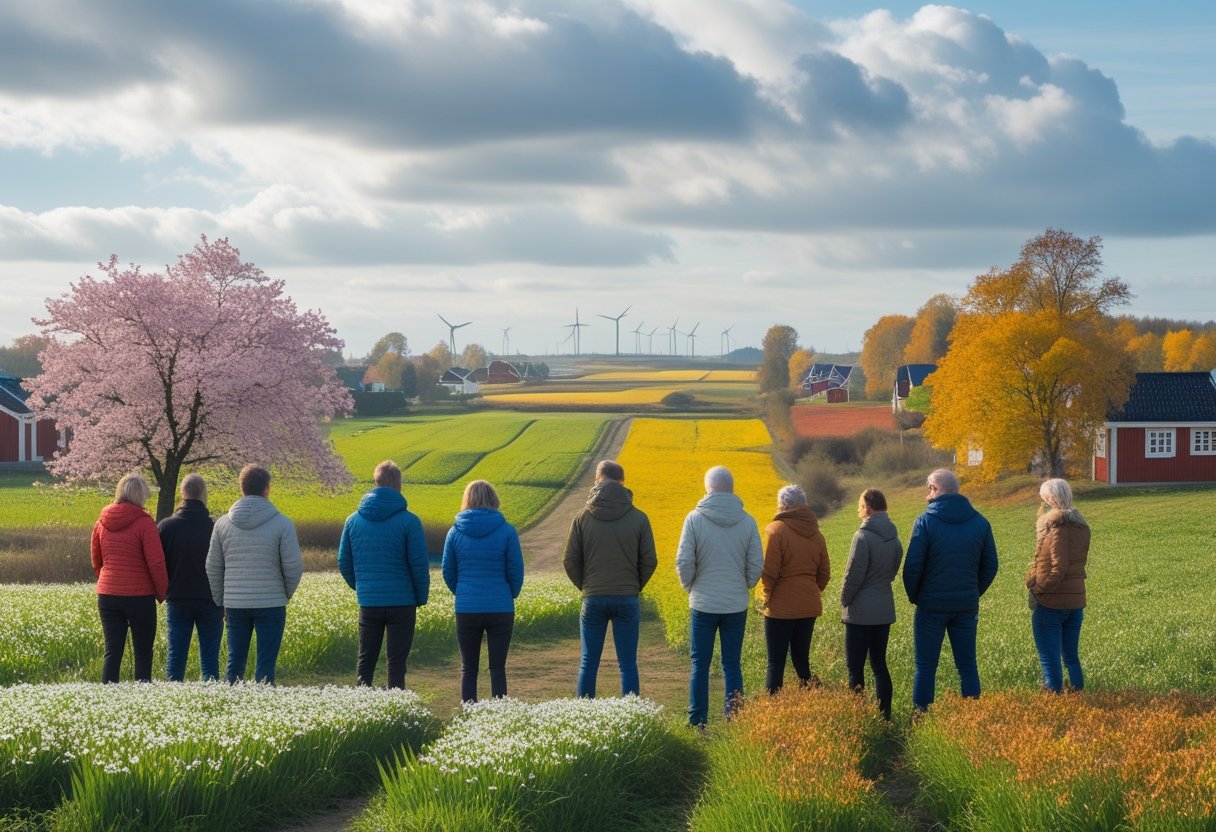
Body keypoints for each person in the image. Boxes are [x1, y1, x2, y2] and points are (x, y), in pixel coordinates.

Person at [903, 468, 998, 712]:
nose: (927, 495)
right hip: (966, 606)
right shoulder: (981, 522)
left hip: (930, 606)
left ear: (935, 490)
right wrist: (973, 592)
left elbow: (913, 566)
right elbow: (990, 566)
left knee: (925, 666)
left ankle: (920, 718)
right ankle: (972, 718)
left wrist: (917, 596)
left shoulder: (925, 522)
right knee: (967, 665)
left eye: (928, 489)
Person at [676, 466, 763, 727]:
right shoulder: (748, 521)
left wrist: (691, 587)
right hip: (735, 604)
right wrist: (744, 585)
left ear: (707, 488)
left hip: (703, 603)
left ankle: (697, 720)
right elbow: (756, 563)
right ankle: (734, 718)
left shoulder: (694, 518)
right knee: (732, 663)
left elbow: (683, 561)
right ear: (732, 488)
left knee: (699, 664)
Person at [563, 460, 658, 698]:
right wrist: (634, 585)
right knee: (627, 663)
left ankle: (584, 713)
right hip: (627, 597)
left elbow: (570, 561)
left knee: (588, 661)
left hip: (593, 596)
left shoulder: (582, 517)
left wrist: (586, 585)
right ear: (622, 482)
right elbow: (649, 560)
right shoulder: (639, 518)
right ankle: (632, 714)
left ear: (597, 481)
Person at [206, 464, 302, 685]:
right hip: (271, 602)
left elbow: (212, 566)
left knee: (235, 660)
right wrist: (284, 593)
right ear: (267, 489)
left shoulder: (222, 524)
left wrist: (222, 600)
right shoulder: (282, 523)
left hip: (235, 604)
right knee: (266, 664)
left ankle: (231, 709)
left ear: (242, 488)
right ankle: (264, 710)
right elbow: (293, 566)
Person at [338, 460, 431, 689]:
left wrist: (361, 586)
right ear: (399, 485)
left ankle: (361, 708)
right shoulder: (410, 521)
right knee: (397, 662)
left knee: (365, 658)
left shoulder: (353, 521)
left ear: (375, 482)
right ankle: (396, 708)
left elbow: (344, 562)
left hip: (369, 601)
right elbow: (419, 564)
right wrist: (420, 597)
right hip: (403, 601)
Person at [442, 480, 524, 702]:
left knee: (468, 668)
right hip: (500, 606)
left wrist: (461, 592)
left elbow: (448, 571)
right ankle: (498, 713)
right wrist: (510, 594)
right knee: (498, 667)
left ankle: (469, 712)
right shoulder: (507, 531)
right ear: (493, 499)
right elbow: (516, 570)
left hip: (467, 607)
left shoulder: (454, 532)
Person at [91, 474, 168, 683]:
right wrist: (162, 592)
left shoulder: (101, 522)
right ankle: (141, 700)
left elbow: (96, 559)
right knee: (143, 652)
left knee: (112, 651)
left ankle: (108, 699)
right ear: (140, 495)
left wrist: (108, 579)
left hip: (107, 595)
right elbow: (156, 562)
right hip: (139, 596)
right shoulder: (145, 523)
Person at [759, 484, 830, 695]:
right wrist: (809, 590)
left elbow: (769, 572)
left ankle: (773, 708)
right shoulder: (817, 534)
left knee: (775, 663)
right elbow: (824, 573)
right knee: (801, 660)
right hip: (808, 604)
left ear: (782, 504)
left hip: (780, 606)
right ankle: (815, 699)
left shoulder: (775, 531)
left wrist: (766, 596)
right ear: (804, 504)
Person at [840, 488, 903, 719]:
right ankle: (885, 715)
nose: (859, 509)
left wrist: (844, 600)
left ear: (868, 507)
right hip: (883, 610)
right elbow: (893, 571)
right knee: (879, 665)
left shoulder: (862, 537)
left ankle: (858, 719)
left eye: (860, 504)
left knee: (855, 669)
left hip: (859, 613)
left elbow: (853, 576)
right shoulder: (895, 538)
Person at [1026, 478, 1089, 693]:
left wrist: (1038, 588)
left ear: (1051, 498)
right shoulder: (1081, 526)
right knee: (1070, 656)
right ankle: (1078, 698)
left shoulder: (1057, 528)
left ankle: (1054, 701)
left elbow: (1059, 568)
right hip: (1075, 601)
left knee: (1049, 659)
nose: (1042, 501)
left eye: (1044, 497)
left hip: (1052, 602)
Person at [158, 473, 222, 681]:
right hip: (210, 600)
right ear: (204, 495)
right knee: (210, 659)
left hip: (178, 598)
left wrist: (163, 589)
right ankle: (213, 702)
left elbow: (159, 563)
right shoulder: (215, 529)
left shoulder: (166, 527)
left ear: (182, 494)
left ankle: (173, 701)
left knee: (176, 656)